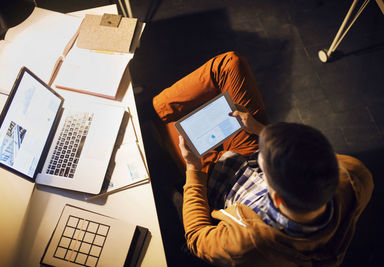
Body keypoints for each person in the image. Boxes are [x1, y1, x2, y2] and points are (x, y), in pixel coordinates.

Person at [152, 51, 373, 266]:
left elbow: (196, 237)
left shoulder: (246, 245)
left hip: (208, 179)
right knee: (230, 63)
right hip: (245, 152)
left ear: (276, 198)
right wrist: (259, 129)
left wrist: (193, 168)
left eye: (265, 160)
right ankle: (157, 108)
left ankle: (154, 112)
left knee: (170, 127)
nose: (263, 153)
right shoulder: (355, 173)